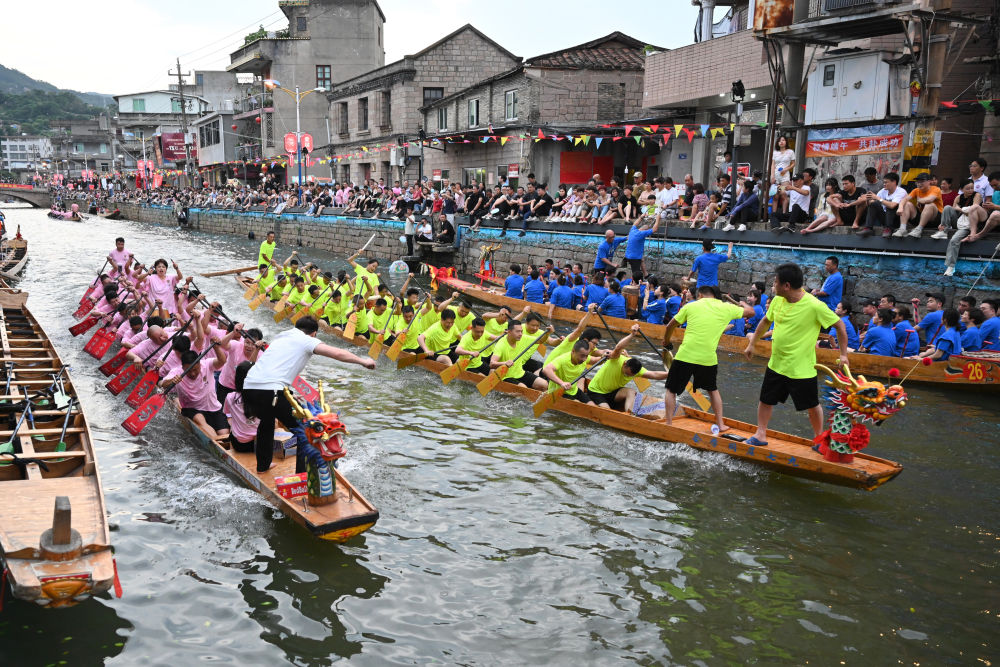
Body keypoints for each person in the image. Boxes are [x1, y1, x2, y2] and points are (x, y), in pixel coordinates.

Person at [243, 317, 375, 473]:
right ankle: (303, 479)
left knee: (267, 421)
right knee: (307, 432)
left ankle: (262, 466)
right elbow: (337, 353)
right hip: (271, 391)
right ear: (314, 334)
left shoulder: (282, 335)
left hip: (249, 387)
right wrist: (363, 361)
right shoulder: (306, 340)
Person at [744, 263, 847, 447]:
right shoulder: (777, 301)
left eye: (776, 283)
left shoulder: (814, 305)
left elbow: (839, 325)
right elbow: (766, 321)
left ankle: (819, 439)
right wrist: (752, 343)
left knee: (812, 405)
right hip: (777, 363)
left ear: (787, 286)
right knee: (765, 400)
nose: (773, 287)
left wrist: (843, 354)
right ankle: (760, 434)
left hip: (801, 367)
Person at [661, 285, 755, 431]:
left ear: (700, 295)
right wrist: (740, 303)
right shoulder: (726, 308)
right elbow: (751, 312)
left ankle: (668, 424)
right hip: (708, 358)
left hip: (686, 355)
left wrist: (666, 342)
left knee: (671, 390)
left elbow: (669, 326)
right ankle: (721, 424)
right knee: (712, 390)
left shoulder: (691, 306)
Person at [161, 344, 230, 441]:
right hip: (191, 408)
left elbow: (222, 361)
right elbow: (162, 384)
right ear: (183, 367)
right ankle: (217, 443)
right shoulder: (177, 372)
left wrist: (217, 347)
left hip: (213, 407)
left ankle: (221, 442)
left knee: (224, 434)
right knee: (200, 420)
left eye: (195, 369)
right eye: (189, 371)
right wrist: (172, 380)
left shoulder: (206, 364)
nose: (192, 373)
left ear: (199, 363)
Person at [488, 320, 549, 390]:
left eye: (521, 331)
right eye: (517, 331)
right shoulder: (501, 344)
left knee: (544, 384)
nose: (520, 334)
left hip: (520, 373)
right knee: (523, 388)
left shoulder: (522, 338)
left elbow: (540, 341)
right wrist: (505, 363)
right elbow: (492, 364)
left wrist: (547, 333)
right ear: (509, 332)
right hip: (505, 376)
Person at [893, 173, 943, 238]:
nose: (919, 184)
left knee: (929, 205)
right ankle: (902, 229)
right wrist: (900, 207)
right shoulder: (916, 190)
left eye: (922, 181)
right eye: (918, 182)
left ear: (929, 181)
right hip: (921, 218)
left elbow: (930, 199)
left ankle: (919, 229)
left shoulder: (936, 189)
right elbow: (905, 199)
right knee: (907, 204)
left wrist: (919, 200)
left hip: (935, 220)